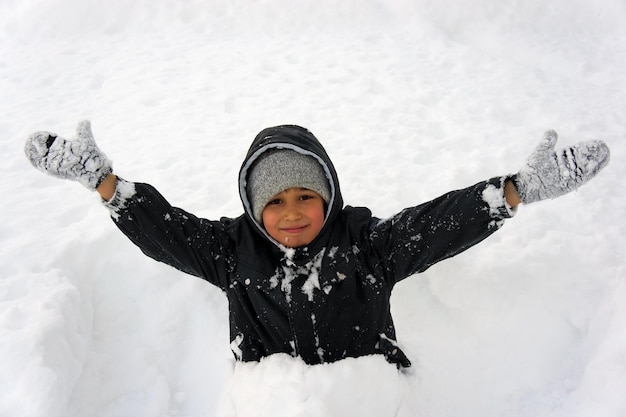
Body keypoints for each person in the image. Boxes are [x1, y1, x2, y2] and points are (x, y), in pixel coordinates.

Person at [24, 121, 610, 368]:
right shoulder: (231, 252)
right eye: (273, 203)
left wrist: (515, 191)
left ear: (328, 193)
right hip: (275, 401)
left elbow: (436, 226)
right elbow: (167, 231)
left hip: (367, 397)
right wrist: (104, 183)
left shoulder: (367, 244)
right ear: (254, 209)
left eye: (305, 196)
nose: (291, 214)